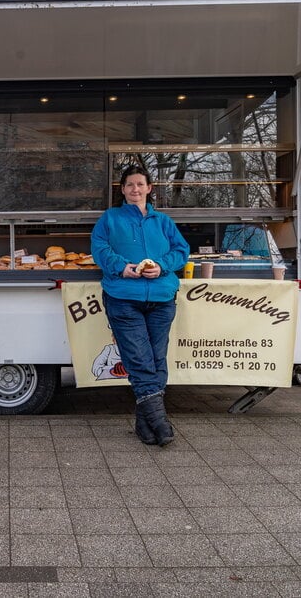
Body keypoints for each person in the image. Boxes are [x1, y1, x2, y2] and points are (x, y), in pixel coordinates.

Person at [91, 165, 190, 446]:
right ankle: (160, 422)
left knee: (157, 359)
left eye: (140, 184)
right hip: (123, 298)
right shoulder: (110, 219)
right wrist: (122, 267)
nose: (135, 189)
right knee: (138, 359)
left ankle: (144, 424)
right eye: (130, 185)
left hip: (161, 298)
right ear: (122, 190)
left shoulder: (163, 222)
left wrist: (161, 266)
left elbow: (181, 251)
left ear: (149, 189)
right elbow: (99, 249)